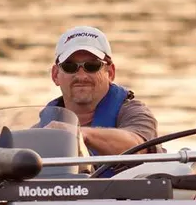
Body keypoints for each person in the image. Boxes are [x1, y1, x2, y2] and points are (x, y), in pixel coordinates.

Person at [45, 26, 159, 155]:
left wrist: (81, 134)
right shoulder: (43, 126)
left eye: (92, 66)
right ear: (55, 75)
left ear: (110, 73)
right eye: (69, 67)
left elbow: (139, 145)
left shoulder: (135, 113)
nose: (81, 76)